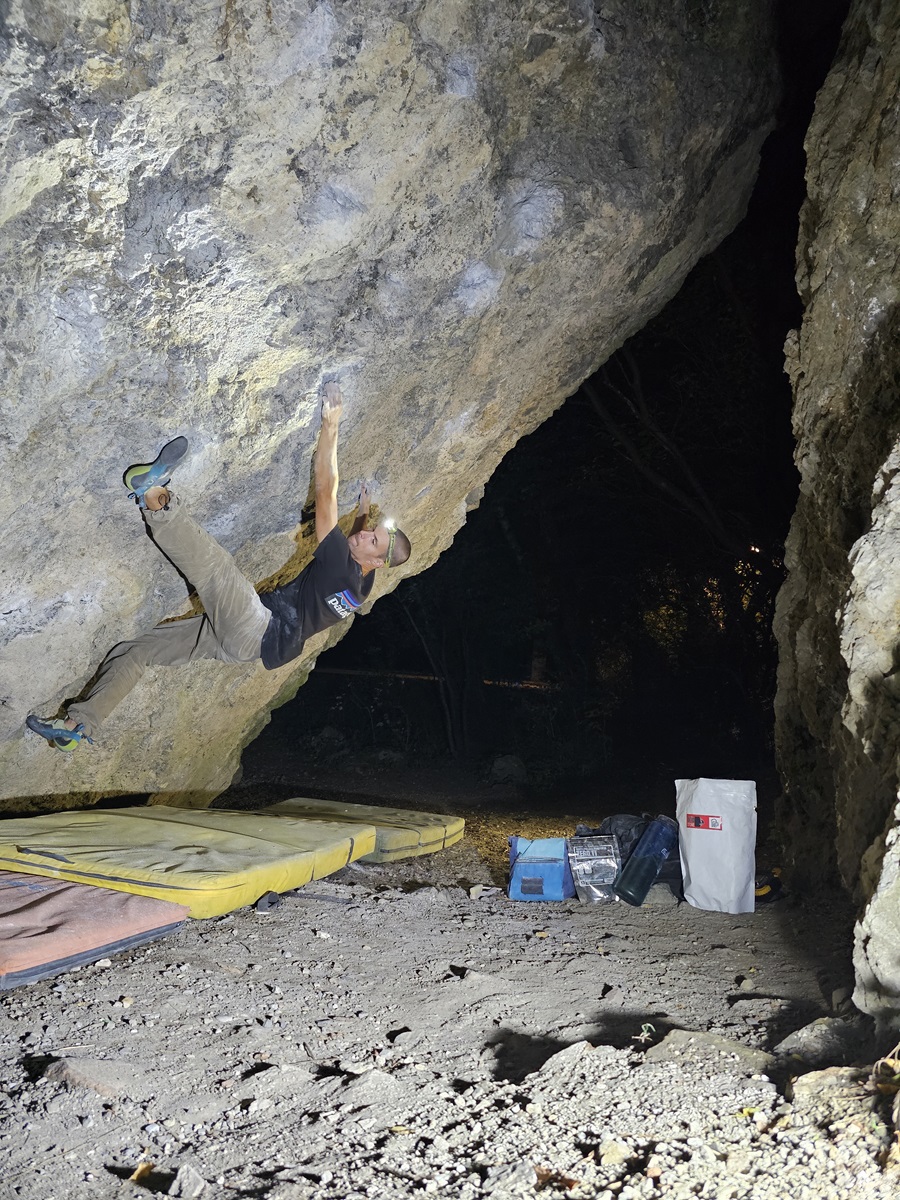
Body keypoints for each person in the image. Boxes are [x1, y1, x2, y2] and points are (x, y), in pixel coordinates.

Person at [26, 382, 411, 751]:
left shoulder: (341, 568)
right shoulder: (362, 583)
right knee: (137, 651)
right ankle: (77, 727)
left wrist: (332, 423)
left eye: (371, 539)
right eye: (369, 532)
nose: (360, 536)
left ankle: (152, 493)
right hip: (243, 647)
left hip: (257, 626)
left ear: (376, 559)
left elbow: (326, 490)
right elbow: (365, 544)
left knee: (215, 570)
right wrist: (364, 513)